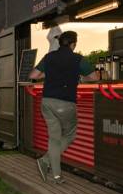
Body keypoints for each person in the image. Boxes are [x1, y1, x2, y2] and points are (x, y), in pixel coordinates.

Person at [29, 31, 100, 184]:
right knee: (69, 135)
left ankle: (56, 176)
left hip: (47, 102)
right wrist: (81, 77)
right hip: (65, 103)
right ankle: (45, 160)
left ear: (60, 43)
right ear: (74, 44)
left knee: (54, 139)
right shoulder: (78, 59)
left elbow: (34, 75)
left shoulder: (49, 57)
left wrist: (50, 74)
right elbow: (94, 78)